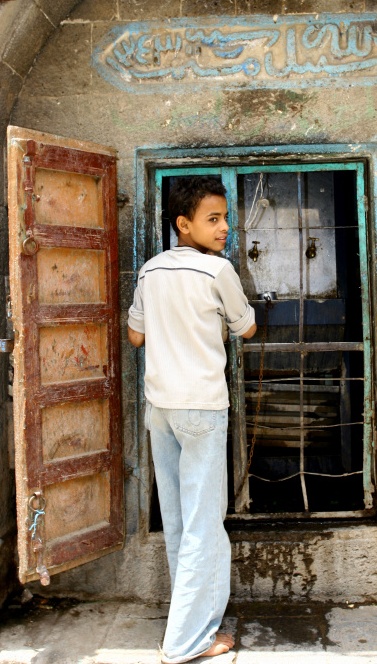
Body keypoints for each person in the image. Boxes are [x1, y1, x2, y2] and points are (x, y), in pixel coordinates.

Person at [127, 176, 256, 663]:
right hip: (201, 407)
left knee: (180, 521)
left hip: (161, 409)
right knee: (204, 524)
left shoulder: (149, 271)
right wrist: (214, 322)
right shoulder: (217, 271)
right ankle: (186, 642)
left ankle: (191, 623)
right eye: (214, 219)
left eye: (224, 217)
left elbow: (135, 337)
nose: (225, 227)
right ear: (184, 224)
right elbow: (246, 326)